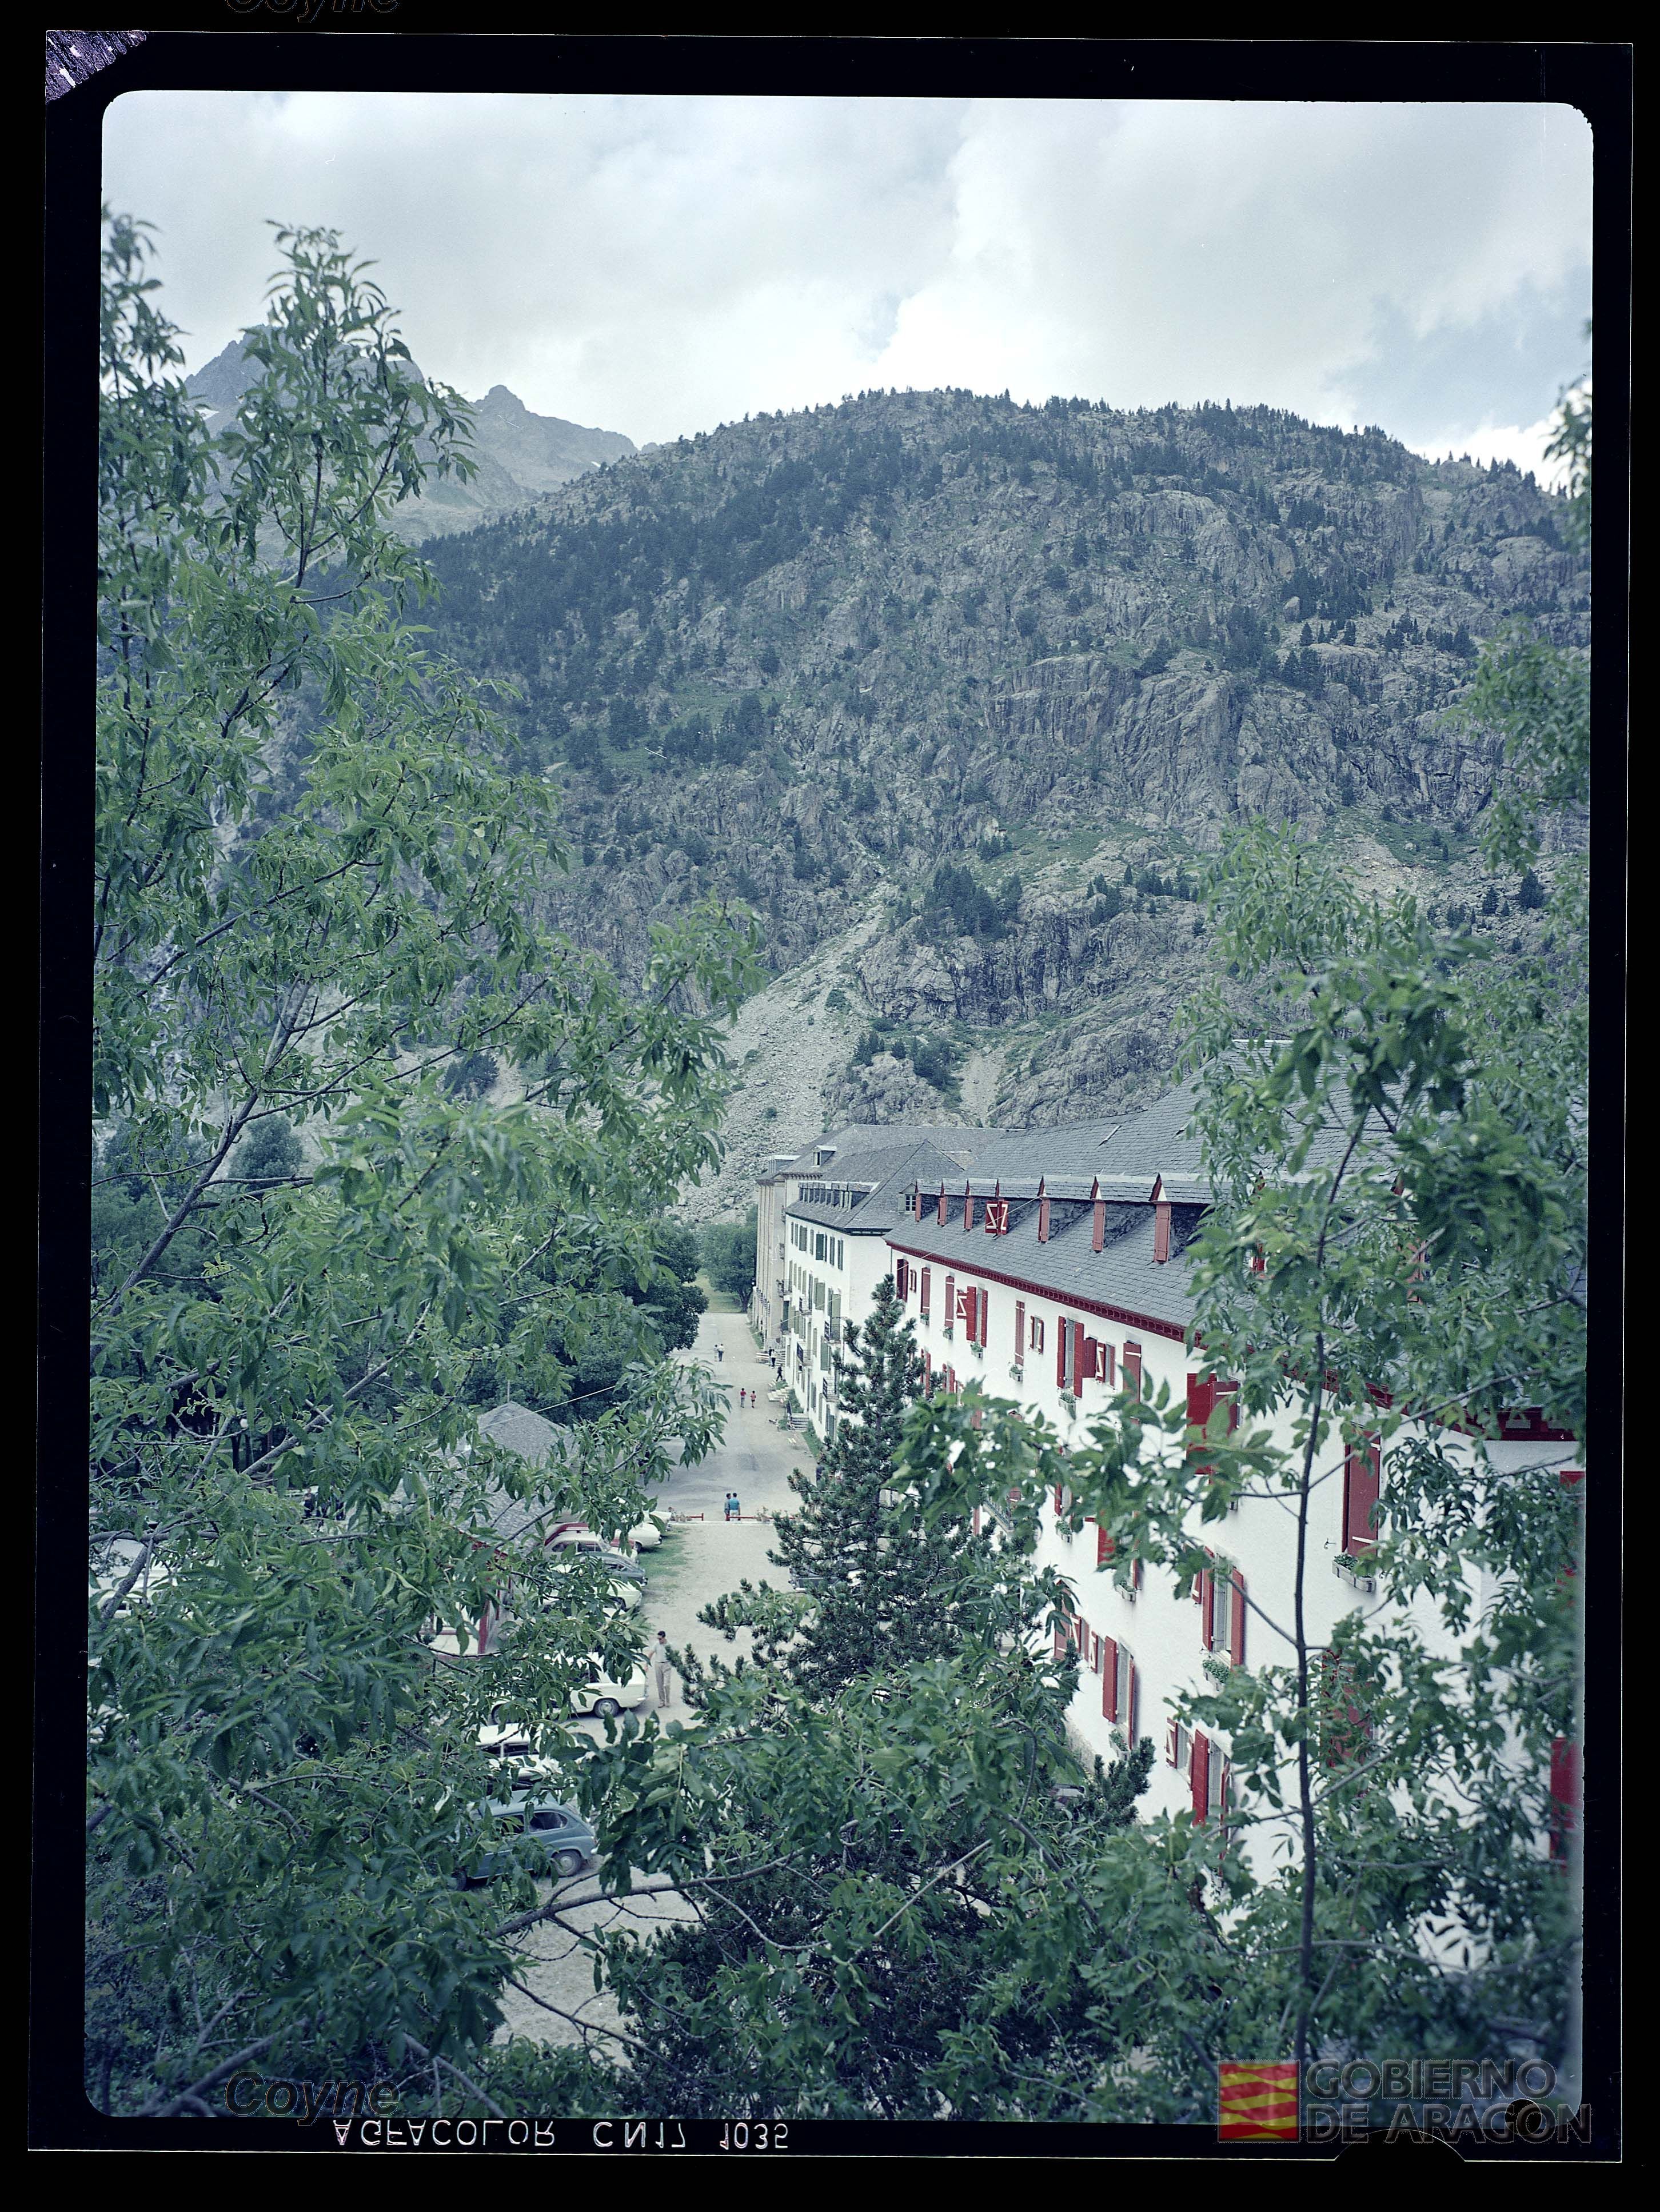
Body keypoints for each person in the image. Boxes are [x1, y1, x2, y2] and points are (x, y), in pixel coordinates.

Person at [653, 1630, 673, 1707]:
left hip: (667, 1664)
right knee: (659, 1684)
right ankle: (662, 1701)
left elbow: (673, 1655)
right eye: (658, 1639)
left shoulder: (669, 1645)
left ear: (664, 1638)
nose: (659, 1640)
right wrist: (646, 1665)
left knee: (666, 1684)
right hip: (658, 1664)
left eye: (660, 1639)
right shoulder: (657, 1645)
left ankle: (668, 1701)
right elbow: (651, 1652)